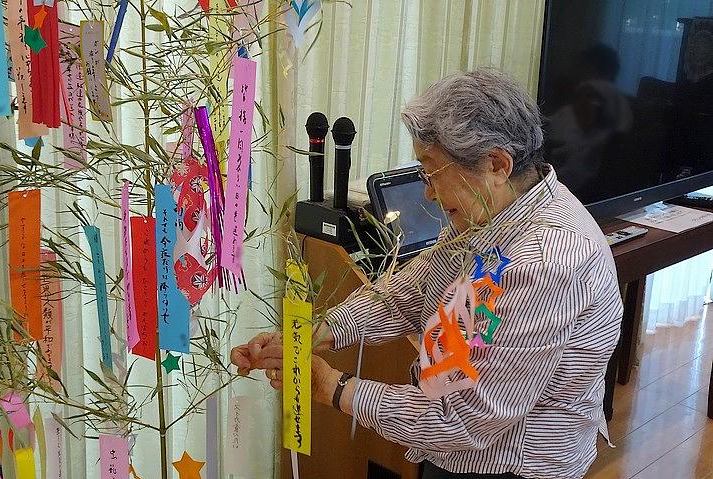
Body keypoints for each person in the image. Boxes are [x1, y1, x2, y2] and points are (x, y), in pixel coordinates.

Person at [231, 69, 623, 479]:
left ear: (496, 164)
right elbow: (411, 290)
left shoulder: (546, 264)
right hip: (447, 442)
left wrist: (331, 385)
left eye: (433, 171)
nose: (428, 193)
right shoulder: (491, 210)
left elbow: (465, 420)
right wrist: (314, 334)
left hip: (508, 464)